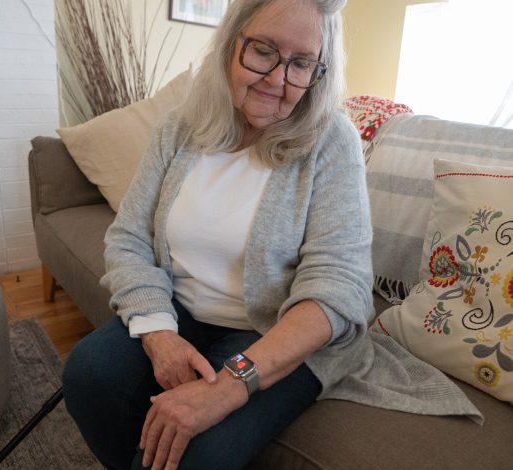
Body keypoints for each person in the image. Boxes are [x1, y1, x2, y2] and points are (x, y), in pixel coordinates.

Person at [62, 0, 481, 469]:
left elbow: (339, 288)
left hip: (275, 330)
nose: (278, 80)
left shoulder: (331, 141)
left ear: (319, 71)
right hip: (180, 309)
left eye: (301, 63)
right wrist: (159, 333)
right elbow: (130, 238)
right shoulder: (180, 128)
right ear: (230, 44)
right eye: (263, 51)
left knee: (198, 453)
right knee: (88, 374)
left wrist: (227, 386)